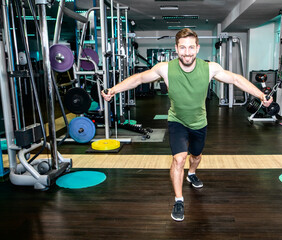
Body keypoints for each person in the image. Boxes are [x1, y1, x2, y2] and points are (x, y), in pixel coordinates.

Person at [102, 28, 272, 222]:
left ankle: (192, 174)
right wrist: (114, 90)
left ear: (197, 48)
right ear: (176, 49)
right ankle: (179, 199)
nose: (187, 52)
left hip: (200, 122)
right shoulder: (165, 68)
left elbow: (234, 78)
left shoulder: (209, 68)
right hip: (177, 121)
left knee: (196, 156)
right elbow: (140, 78)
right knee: (179, 159)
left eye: (191, 47)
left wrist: (260, 94)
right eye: (183, 48)